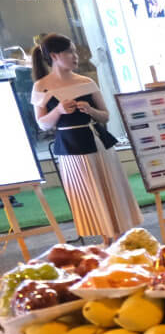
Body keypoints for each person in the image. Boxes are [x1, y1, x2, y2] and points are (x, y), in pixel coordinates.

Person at [31, 34, 141, 244]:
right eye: (70, 52)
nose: (75, 56)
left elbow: (106, 115)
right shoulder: (41, 86)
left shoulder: (86, 82)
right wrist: (59, 111)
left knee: (112, 188)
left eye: (74, 51)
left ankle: (121, 237)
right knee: (89, 195)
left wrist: (90, 110)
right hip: (71, 147)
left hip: (98, 141)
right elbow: (43, 124)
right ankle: (106, 240)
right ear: (54, 56)